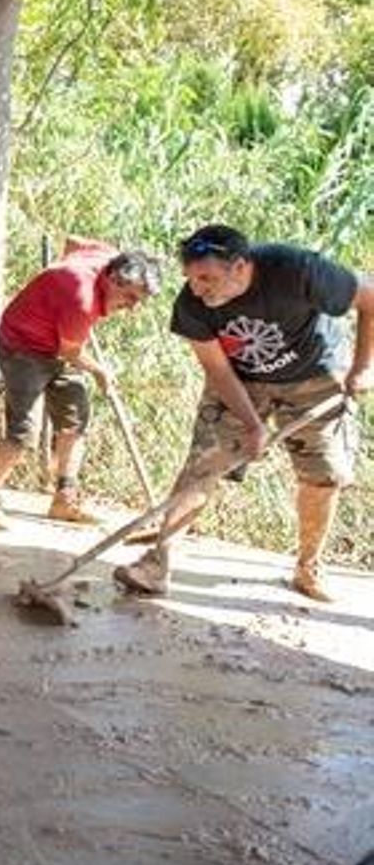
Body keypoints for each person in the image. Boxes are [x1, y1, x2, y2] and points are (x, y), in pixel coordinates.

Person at [115, 225, 372, 602]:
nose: (198, 288)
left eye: (207, 278)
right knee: (203, 465)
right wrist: (252, 424)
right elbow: (217, 370)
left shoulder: (298, 270)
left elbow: (369, 298)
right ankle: (157, 563)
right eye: (191, 279)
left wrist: (363, 368)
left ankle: (308, 566)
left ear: (240, 266)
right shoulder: (191, 305)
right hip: (242, 378)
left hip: (314, 373)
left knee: (323, 475)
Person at [0, 239, 161, 530]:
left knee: (75, 418)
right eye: (130, 297)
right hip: (23, 346)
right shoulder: (81, 300)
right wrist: (99, 371)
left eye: (139, 301)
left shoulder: (107, 256)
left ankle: (64, 500)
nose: (132, 307)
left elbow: (72, 241)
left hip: (57, 341)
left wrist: (52, 288)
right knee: (23, 434)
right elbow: (70, 352)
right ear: (112, 279)